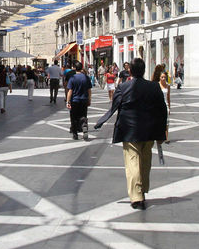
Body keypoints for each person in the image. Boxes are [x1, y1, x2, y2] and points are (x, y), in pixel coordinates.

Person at [95, 58, 167, 210]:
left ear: (130, 71)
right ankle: (143, 190)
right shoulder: (154, 87)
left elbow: (113, 107)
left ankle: (137, 197)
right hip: (149, 130)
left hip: (130, 130)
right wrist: (162, 133)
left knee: (133, 163)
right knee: (145, 163)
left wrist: (101, 121)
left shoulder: (123, 87)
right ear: (144, 69)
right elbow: (162, 110)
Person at [66, 61, 92, 141]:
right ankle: (84, 125)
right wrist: (89, 99)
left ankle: (75, 134)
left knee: (73, 117)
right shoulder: (86, 77)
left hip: (75, 100)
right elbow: (89, 90)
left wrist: (68, 101)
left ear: (74, 68)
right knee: (83, 115)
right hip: (84, 100)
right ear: (81, 68)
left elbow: (70, 91)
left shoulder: (72, 78)